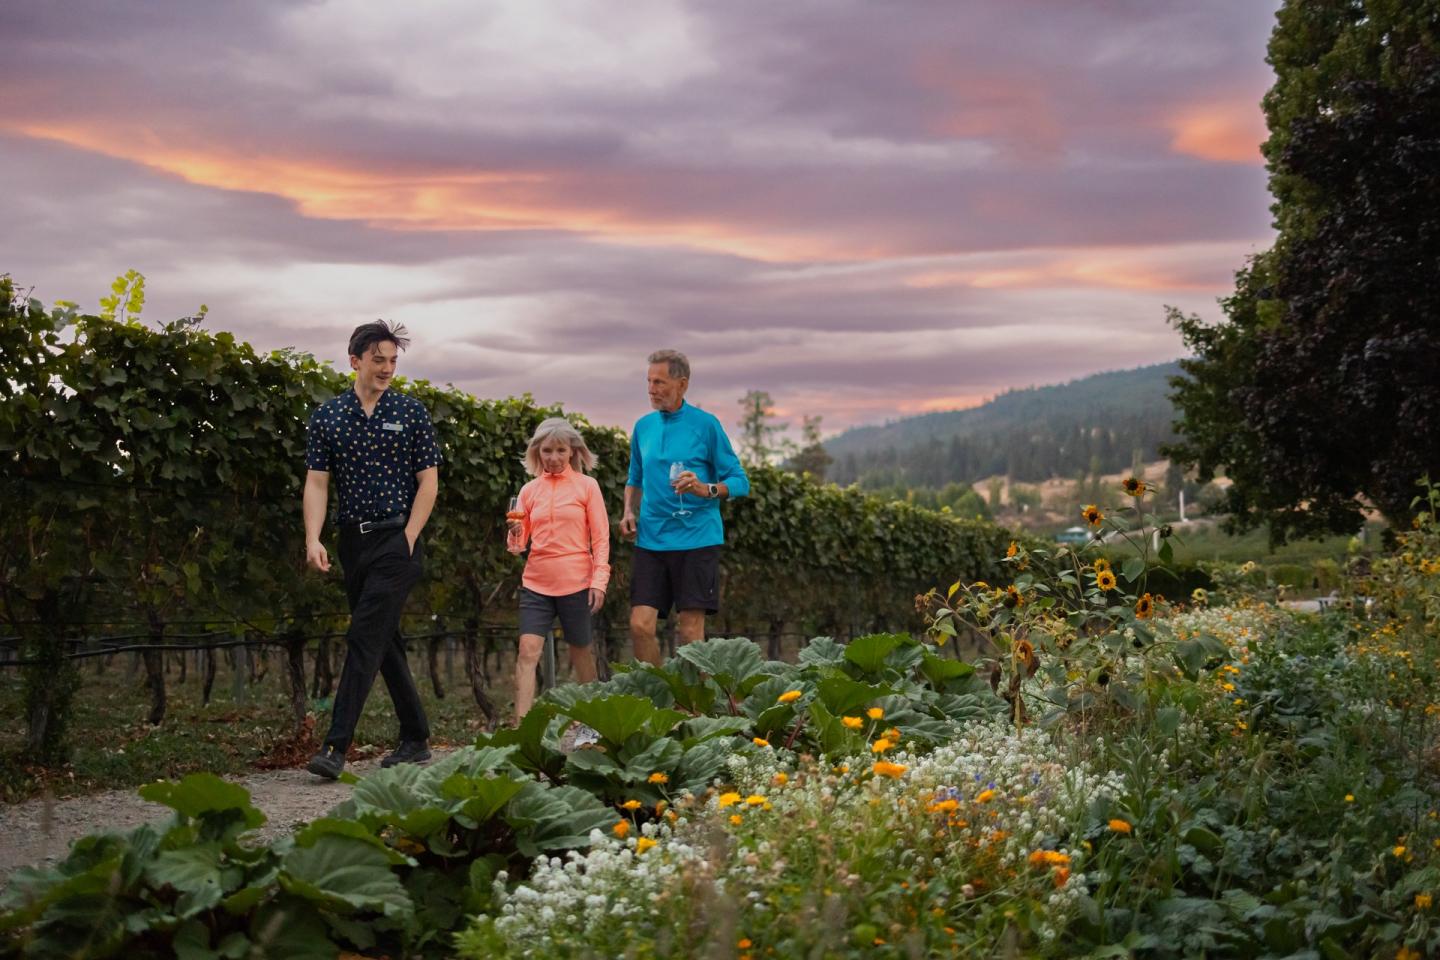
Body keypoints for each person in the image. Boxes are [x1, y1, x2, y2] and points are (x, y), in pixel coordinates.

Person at [302, 320, 439, 779]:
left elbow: (429, 482)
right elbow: (317, 483)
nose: (387, 368)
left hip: (397, 539)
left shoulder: (411, 412)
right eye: (378, 359)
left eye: (393, 361)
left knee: (363, 636)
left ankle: (335, 746)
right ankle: (416, 736)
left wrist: (409, 537)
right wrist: (313, 537)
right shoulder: (327, 417)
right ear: (355, 361)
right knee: (383, 640)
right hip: (351, 542)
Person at [620, 349, 749, 664]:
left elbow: (739, 481)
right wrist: (628, 511)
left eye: (660, 382)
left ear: (682, 384)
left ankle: (693, 707)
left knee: (690, 631)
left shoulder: (705, 425)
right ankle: (656, 697)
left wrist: (705, 489)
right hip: (651, 539)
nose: (652, 389)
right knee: (640, 625)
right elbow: (634, 478)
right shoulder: (643, 427)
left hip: (697, 538)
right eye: (649, 381)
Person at [506, 417, 610, 719]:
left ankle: (592, 726)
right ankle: (521, 732)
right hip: (536, 584)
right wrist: (514, 533)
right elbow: (518, 546)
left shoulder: (587, 487)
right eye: (547, 451)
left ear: (572, 452)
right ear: (538, 451)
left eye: (560, 451)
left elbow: (601, 539)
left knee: (581, 654)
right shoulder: (528, 491)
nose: (553, 458)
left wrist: (599, 581)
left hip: (577, 583)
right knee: (527, 651)